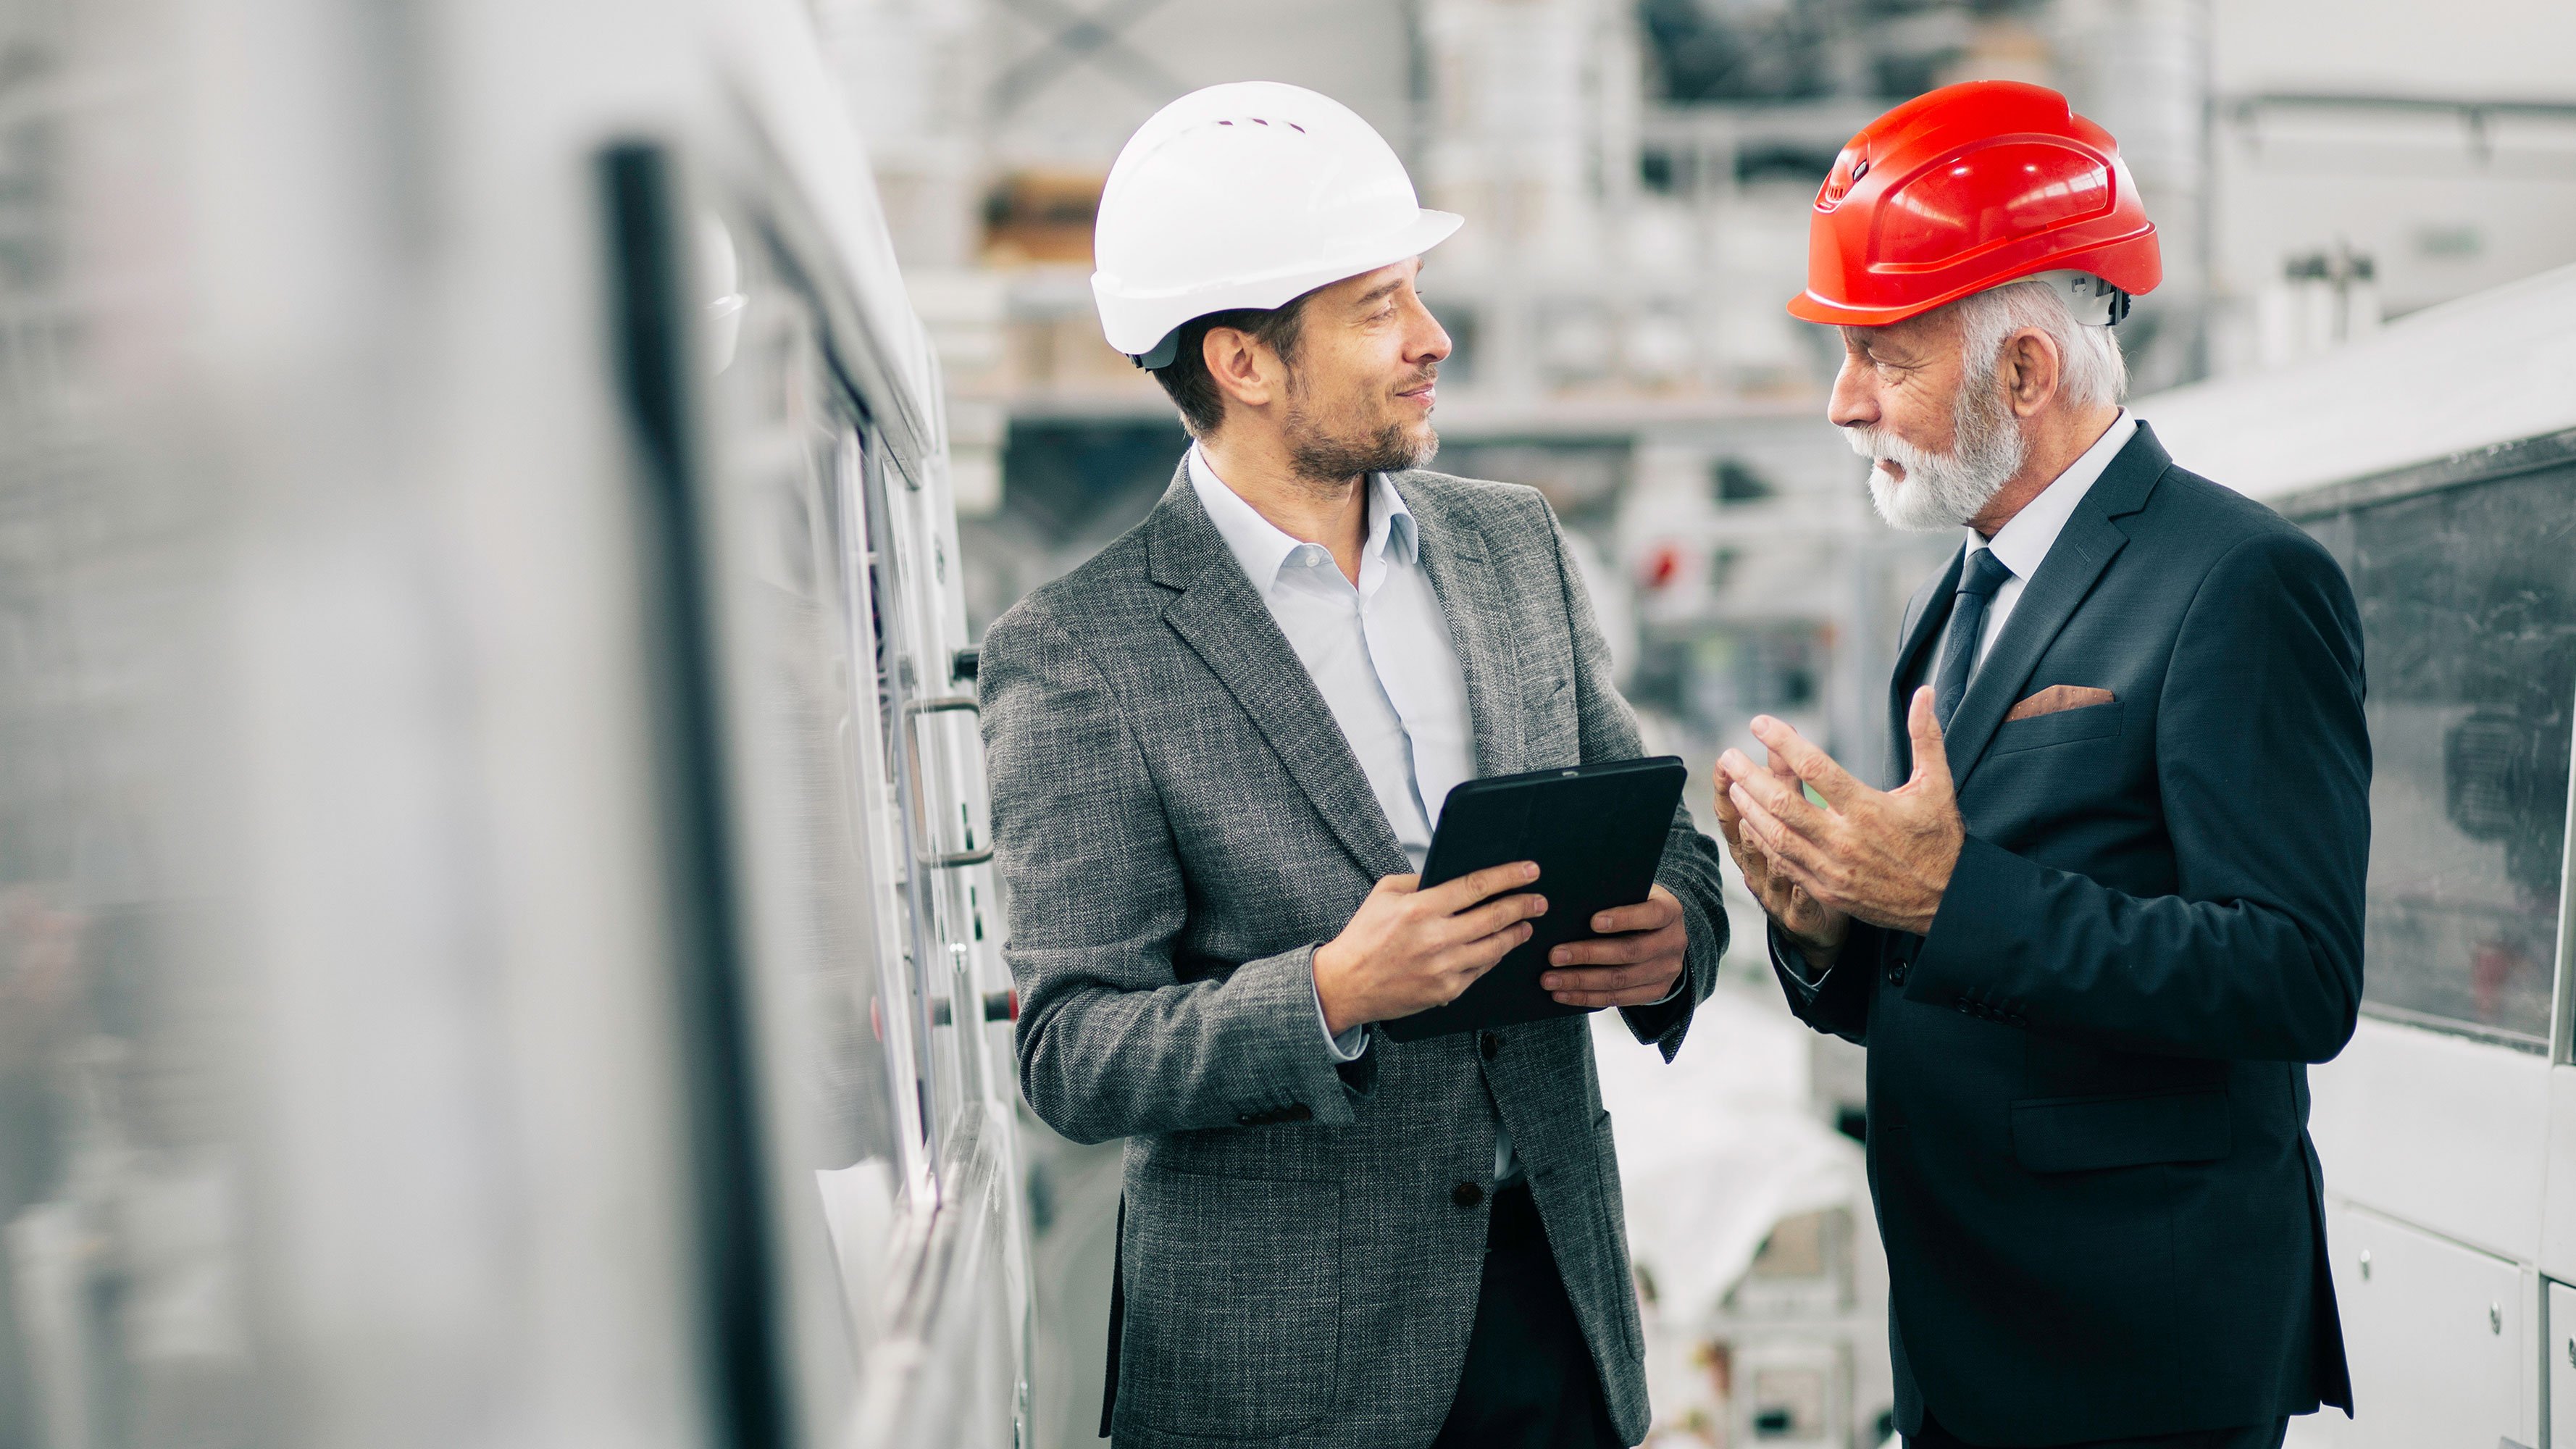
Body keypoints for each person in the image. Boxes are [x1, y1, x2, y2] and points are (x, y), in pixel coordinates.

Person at [979, 82, 1730, 1449]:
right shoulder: (1079, 651)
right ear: (1243, 363)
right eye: (1379, 308)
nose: (1432, 340)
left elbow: (1654, 826)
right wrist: (1330, 994)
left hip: (1554, 1308)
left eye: (1417, 293)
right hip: (1285, 1374)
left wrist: (1675, 933)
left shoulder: (1513, 545)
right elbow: (1072, 1048)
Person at [1711, 80, 2368, 1449]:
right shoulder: (1957, 593)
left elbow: (2296, 976)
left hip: (2138, 1343)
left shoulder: (2238, 579)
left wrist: (1949, 894)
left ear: (2024, 371)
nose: (1843, 406)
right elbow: (1935, 970)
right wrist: (1829, 924)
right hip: (1970, 1325)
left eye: (1881, 355)